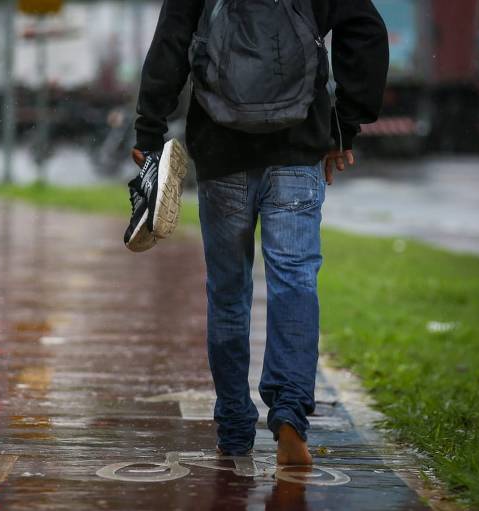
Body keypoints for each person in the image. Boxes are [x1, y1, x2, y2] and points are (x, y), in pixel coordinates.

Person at [125, 0, 389, 464]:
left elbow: (170, 43)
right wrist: (344, 125)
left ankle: (232, 421)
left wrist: (149, 130)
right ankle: (289, 414)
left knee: (228, 293)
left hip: (222, 151)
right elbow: (366, 32)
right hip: (298, 147)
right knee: (294, 280)